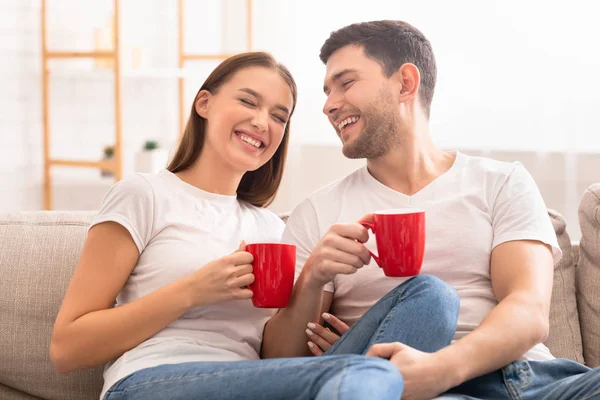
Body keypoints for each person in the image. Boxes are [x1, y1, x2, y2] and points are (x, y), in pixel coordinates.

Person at [49, 51, 459, 400]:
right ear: (204, 103)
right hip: (153, 381)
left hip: (255, 381)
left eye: (279, 116)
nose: (263, 123)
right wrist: (192, 291)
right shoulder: (144, 195)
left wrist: (312, 279)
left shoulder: (270, 228)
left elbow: (278, 357)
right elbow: (67, 348)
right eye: (248, 102)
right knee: (370, 377)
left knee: (433, 298)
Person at [262, 21, 600, 400]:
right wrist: (311, 280)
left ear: (406, 82)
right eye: (326, 91)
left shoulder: (501, 182)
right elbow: (279, 362)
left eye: (346, 83)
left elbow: (528, 310)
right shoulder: (319, 212)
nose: (328, 105)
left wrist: (440, 369)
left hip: (533, 380)